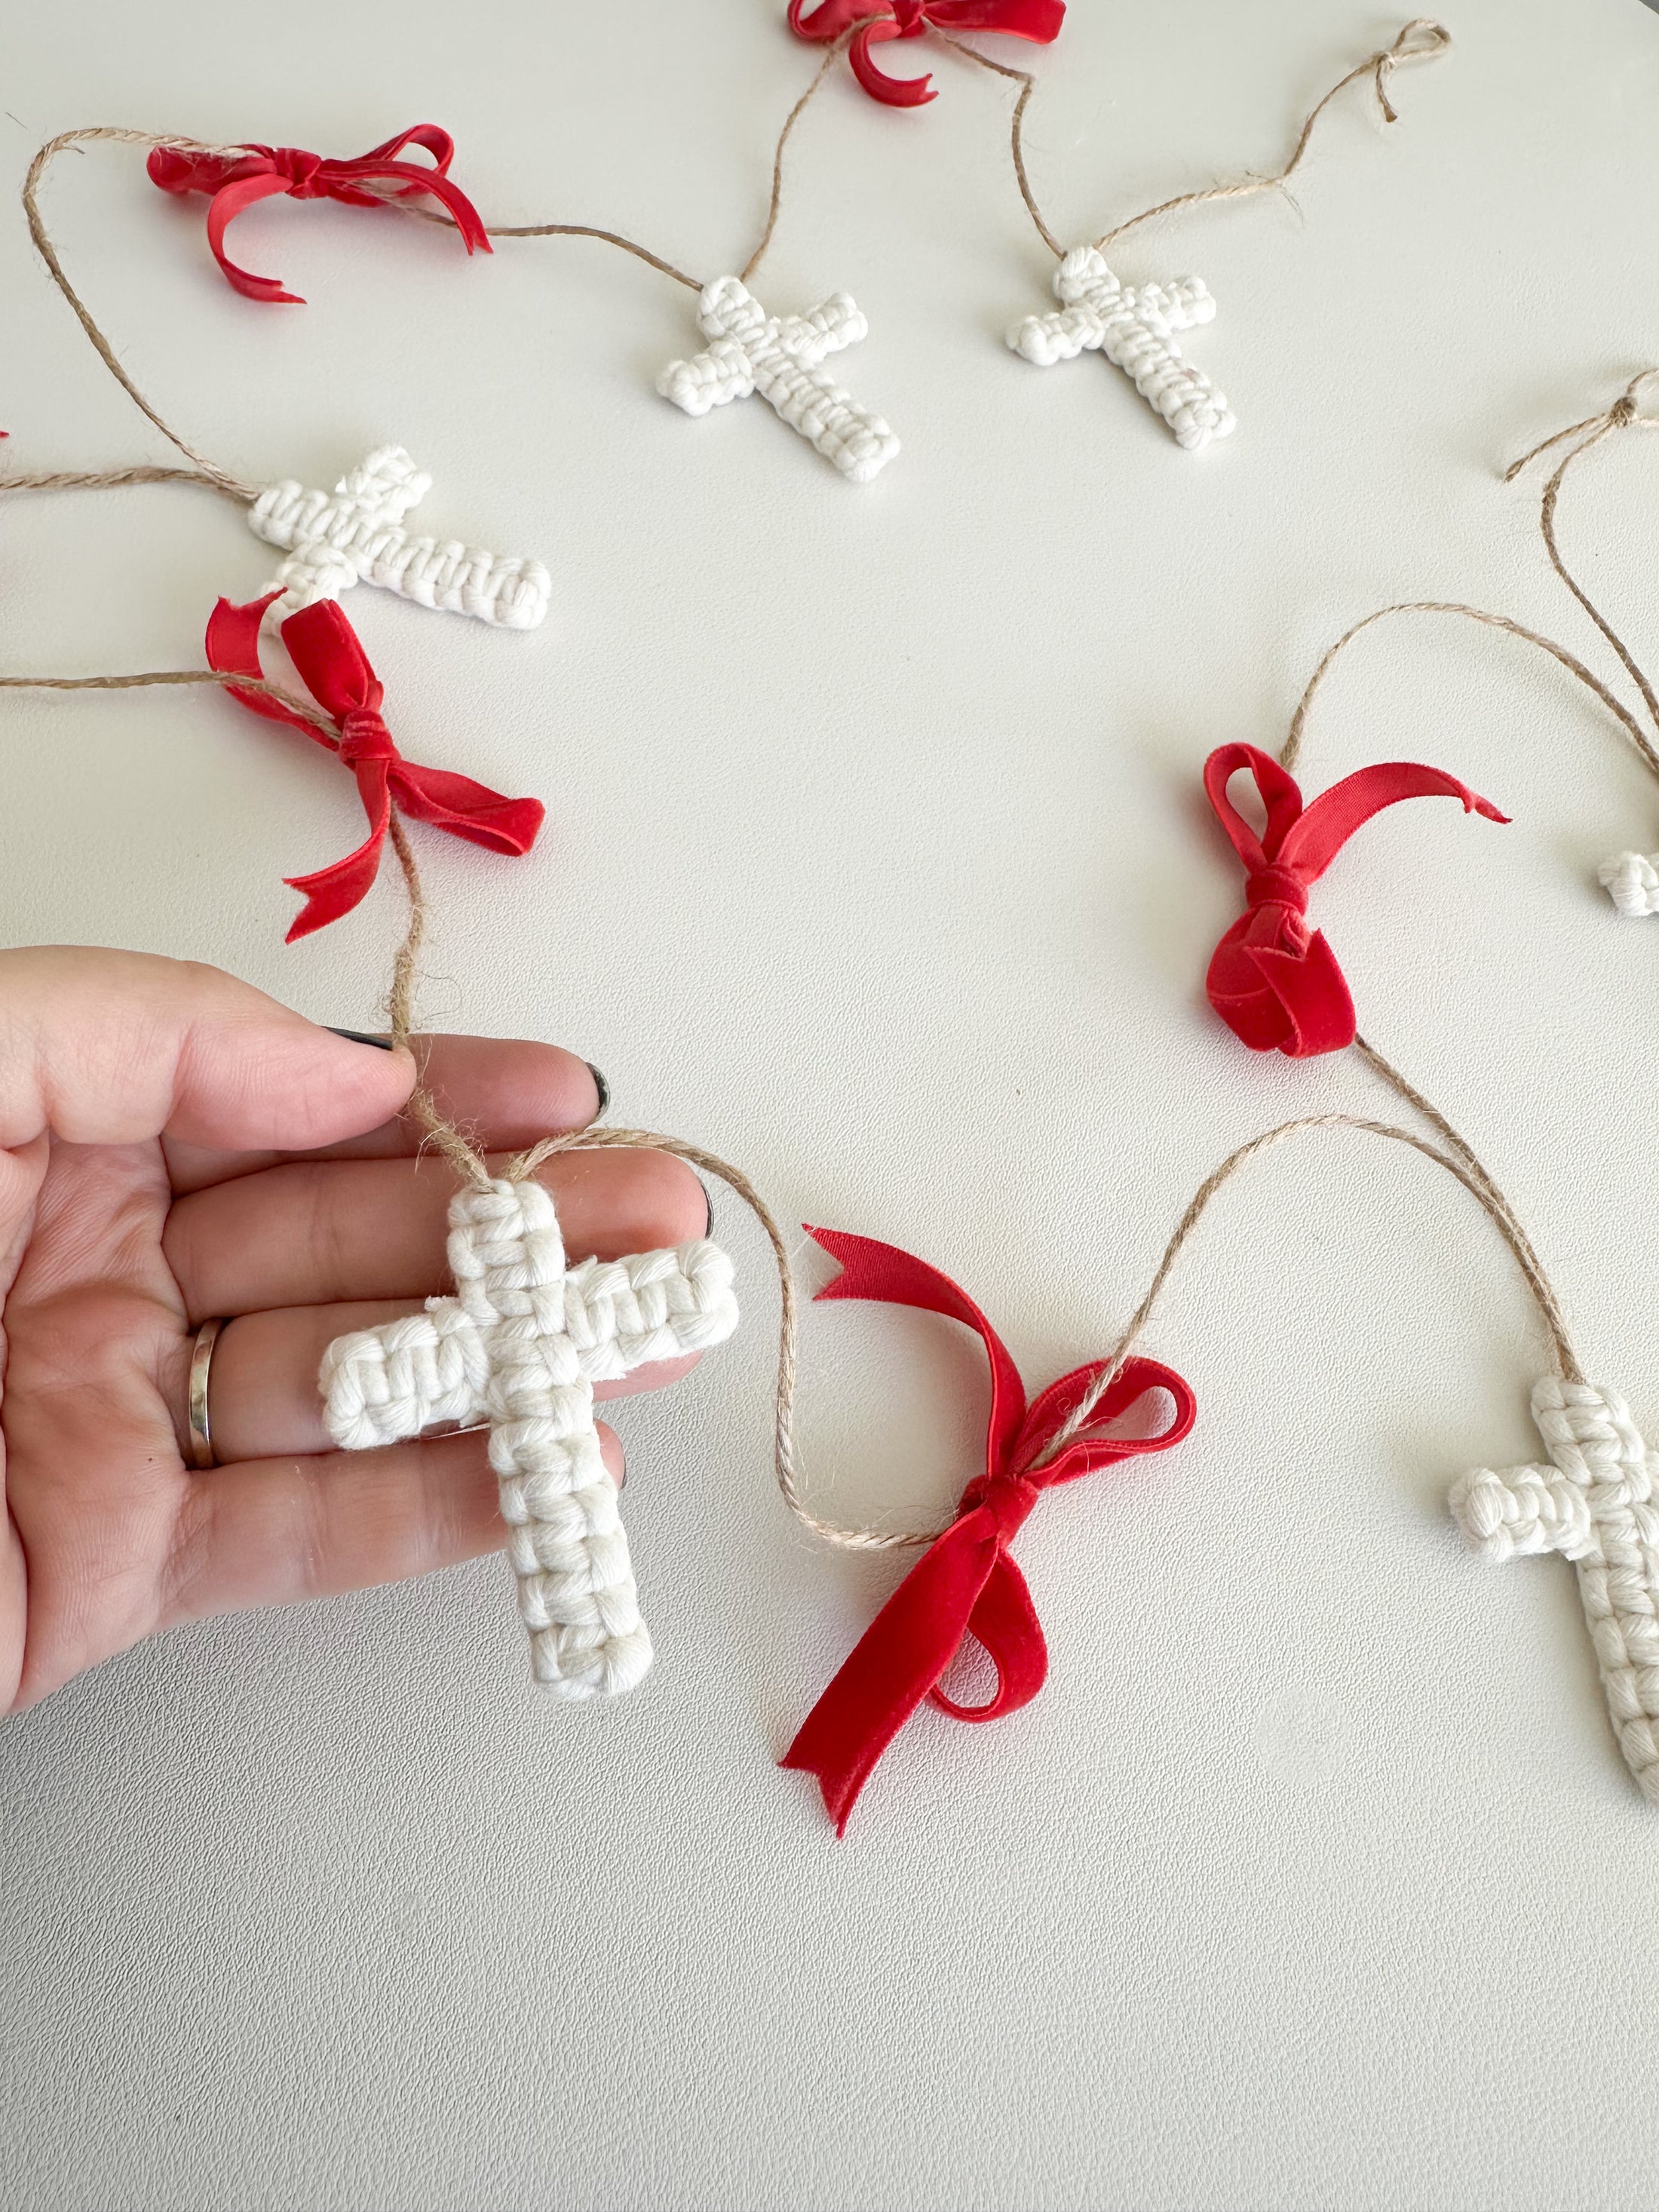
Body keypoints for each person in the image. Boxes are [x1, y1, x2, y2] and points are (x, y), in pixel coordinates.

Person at [0, 946, 710, 1712]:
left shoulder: (545, 1312)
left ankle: (593, 1635)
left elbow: (688, 1292)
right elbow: (365, 1380)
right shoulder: (496, 1326)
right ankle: (590, 1634)